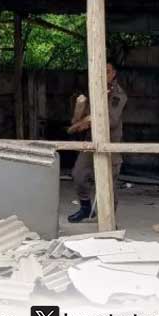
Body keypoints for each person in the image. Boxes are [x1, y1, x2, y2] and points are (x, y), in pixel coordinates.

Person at [67, 62, 128, 223]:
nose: (104, 75)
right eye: (101, 71)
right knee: (78, 175)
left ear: (113, 74)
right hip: (91, 140)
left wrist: (90, 120)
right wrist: (80, 118)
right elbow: (79, 117)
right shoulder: (94, 90)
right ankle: (86, 209)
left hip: (110, 143)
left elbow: (112, 121)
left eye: (107, 71)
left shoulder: (118, 95)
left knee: (108, 183)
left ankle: (109, 219)